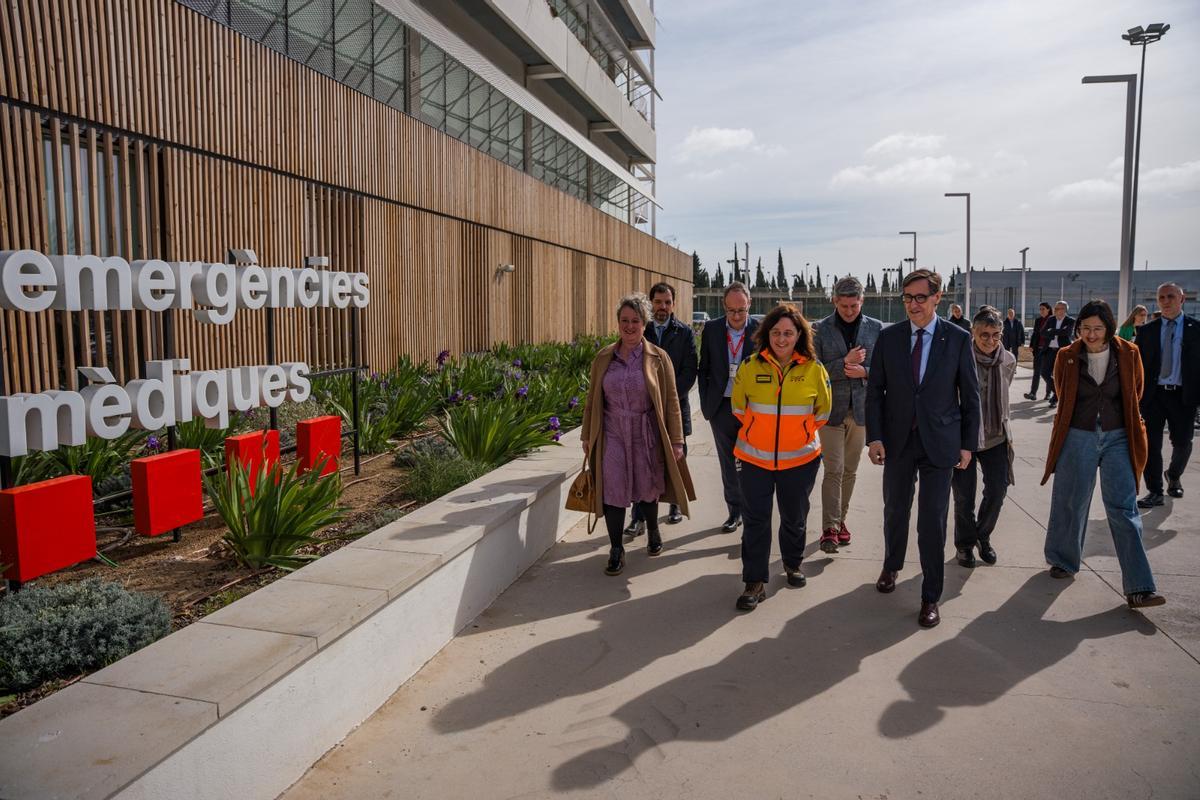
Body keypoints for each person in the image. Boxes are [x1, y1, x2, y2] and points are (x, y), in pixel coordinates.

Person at [866, 269, 981, 629]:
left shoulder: (958, 339)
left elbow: (970, 396)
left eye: (920, 297)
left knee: (932, 520)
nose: (912, 304)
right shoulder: (890, 338)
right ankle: (892, 564)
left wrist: (967, 445)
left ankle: (931, 595)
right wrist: (876, 437)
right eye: (907, 297)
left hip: (940, 444)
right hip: (898, 441)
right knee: (895, 510)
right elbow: (875, 392)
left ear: (937, 298)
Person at [1041, 300, 1165, 609]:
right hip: (1078, 435)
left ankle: (1140, 586)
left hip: (1118, 437)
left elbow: (1135, 393)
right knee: (1071, 498)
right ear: (1078, 329)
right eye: (1085, 329)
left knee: (1123, 508)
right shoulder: (1066, 357)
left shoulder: (1128, 353)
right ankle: (1063, 559)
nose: (1091, 335)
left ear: (1109, 328)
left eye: (1097, 329)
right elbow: (1063, 393)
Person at [580, 294, 696, 576]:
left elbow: (671, 402)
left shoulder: (658, 358)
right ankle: (616, 548)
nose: (629, 326)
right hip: (612, 433)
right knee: (613, 489)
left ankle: (653, 529)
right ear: (618, 323)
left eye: (635, 321)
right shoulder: (604, 357)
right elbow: (592, 399)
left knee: (648, 487)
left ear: (644, 324)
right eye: (624, 321)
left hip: (646, 432)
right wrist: (586, 435)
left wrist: (677, 439)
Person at [731, 303, 831, 611]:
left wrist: (798, 434)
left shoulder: (815, 369)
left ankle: (792, 564)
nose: (782, 339)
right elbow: (738, 407)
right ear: (767, 334)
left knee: (794, 517)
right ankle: (755, 580)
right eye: (776, 332)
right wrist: (756, 431)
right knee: (755, 520)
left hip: (800, 460)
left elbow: (823, 412)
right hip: (754, 459)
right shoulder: (749, 366)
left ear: (799, 335)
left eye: (788, 332)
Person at [812, 276, 882, 553]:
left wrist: (865, 372)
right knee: (834, 469)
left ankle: (841, 521)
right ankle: (829, 527)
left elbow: (886, 372)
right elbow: (814, 373)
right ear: (834, 302)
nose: (849, 311)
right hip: (831, 412)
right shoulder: (819, 330)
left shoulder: (876, 329)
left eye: (854, 306)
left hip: (862, 412)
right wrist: (844, 363)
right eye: (844, 306)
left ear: (861, 301)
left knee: (850, 471)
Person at [624, 282, 698, 536]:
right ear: (651, 303)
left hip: (675, 409)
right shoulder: (641, 332)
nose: (662, 307)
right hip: (643, 411)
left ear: (673, 304)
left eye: (667, 302)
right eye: (658, 302)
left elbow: (690, 371)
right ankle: (638, 517)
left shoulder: (684, 333)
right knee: (639, 462)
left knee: (675, 460)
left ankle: (674, 504)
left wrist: (666, 396)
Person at [952, 307, 1016, 568]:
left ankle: (983, 535)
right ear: (973, 333)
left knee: (998, 490)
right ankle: (965, 545)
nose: (991, 341)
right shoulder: (959, 359)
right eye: (984, 335)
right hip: (964, 438)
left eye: (996, 335)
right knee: (964, 497)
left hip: (996, 436)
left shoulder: (1008, 360)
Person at [697, 282, 760, 532]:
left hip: (751, 408)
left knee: (752, 462)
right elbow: (704, 369)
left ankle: (752, 509)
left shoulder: (760, 330)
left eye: (741, 311)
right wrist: (706, 403)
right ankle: (734, 511)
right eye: (731, 311)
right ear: (724, 307)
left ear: (749, 305)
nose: (736, 316)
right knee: (728, 461)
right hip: (721, 406)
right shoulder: (712, 329)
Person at [1134, 283, 1199, 507]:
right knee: (1150, 444)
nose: (1166, 301)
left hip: (1183, 396)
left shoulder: (1196, 329)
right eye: (1161, 297)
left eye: (1171, 296)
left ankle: (1173, 475)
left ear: (1182, 299)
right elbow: (1137, 365)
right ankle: (1155, 491)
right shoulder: (1147, 331)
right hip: (1153, 396)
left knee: (1182, 442)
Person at [1038, 301, 1075, 408]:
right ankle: (1059, 393)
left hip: (1062, 351)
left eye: (1058, 308)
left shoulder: (1070, 320)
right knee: (1044, 373)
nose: (1055, 310)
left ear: (1064, 310)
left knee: (1060, 375)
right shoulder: (1051, 319)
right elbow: (1043, 332)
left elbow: (1067, 333)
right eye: (1055, 308)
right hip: (1049, 350)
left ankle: (1055, 398)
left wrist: (1052, 331)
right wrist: (1057, 331)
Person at [1024, 302, 1053, 400]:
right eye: (1040, 309)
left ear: (1048, 309)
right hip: (1038, 350)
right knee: (1036, 372)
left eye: (1043, 309)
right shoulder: (1038, 320)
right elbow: (1035, 334)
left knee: (1048, 373)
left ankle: (1048, 393)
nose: (1041, 311)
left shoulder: (1053, 320)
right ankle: (1033, 393)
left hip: (1049, 350)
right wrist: (1032, 345)